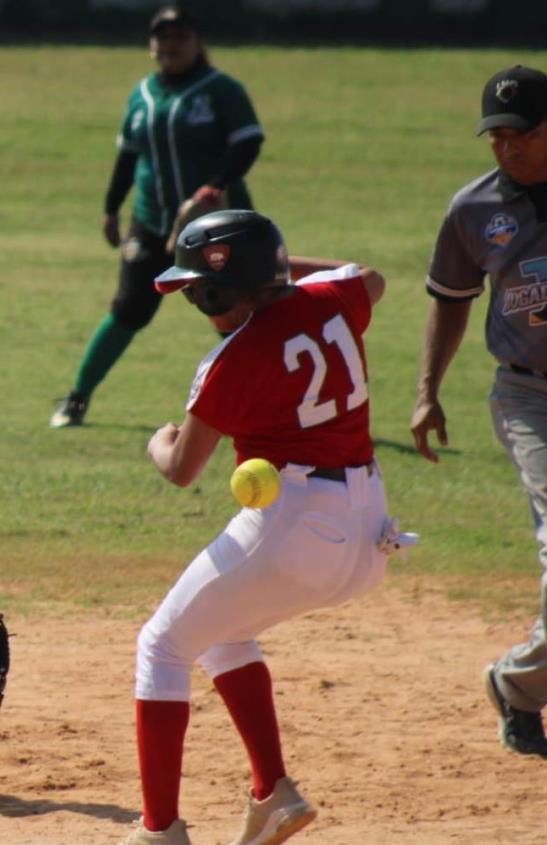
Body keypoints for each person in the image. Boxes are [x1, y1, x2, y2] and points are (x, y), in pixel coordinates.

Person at [121, 210, 398, 845]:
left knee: (161, 647)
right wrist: (274, 274)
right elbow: (374, 278)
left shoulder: (233, 357)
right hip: (371, 526)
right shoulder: (332, 298)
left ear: (222, 290)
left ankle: (158, 832)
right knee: (223, 630)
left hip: (297, 527)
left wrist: (156, 441)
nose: (194, 298)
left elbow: (182, 468)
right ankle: (273, 793)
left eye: (198, 288)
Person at [410, 65, 547, 757]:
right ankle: (519, 687)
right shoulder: (472, 209)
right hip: (529, 395)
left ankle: (518, 684)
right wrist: (425, 390)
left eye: (517, 134)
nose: (503, 148)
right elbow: (448, 299)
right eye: (493, 136)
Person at [49, 3, 264, 428]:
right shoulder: (142, 93)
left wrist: (213, 186)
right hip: (151, 221)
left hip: (216, 227)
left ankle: (262, 407)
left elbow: (247, 143)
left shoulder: (221, 90)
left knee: (231, 314)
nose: (171, 44)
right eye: (162, 36)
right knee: (128, 310)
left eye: (180, 36)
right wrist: (111, 208)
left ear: (197, 41)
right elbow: (129, 156)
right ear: (151, 45)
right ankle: (76, 398)